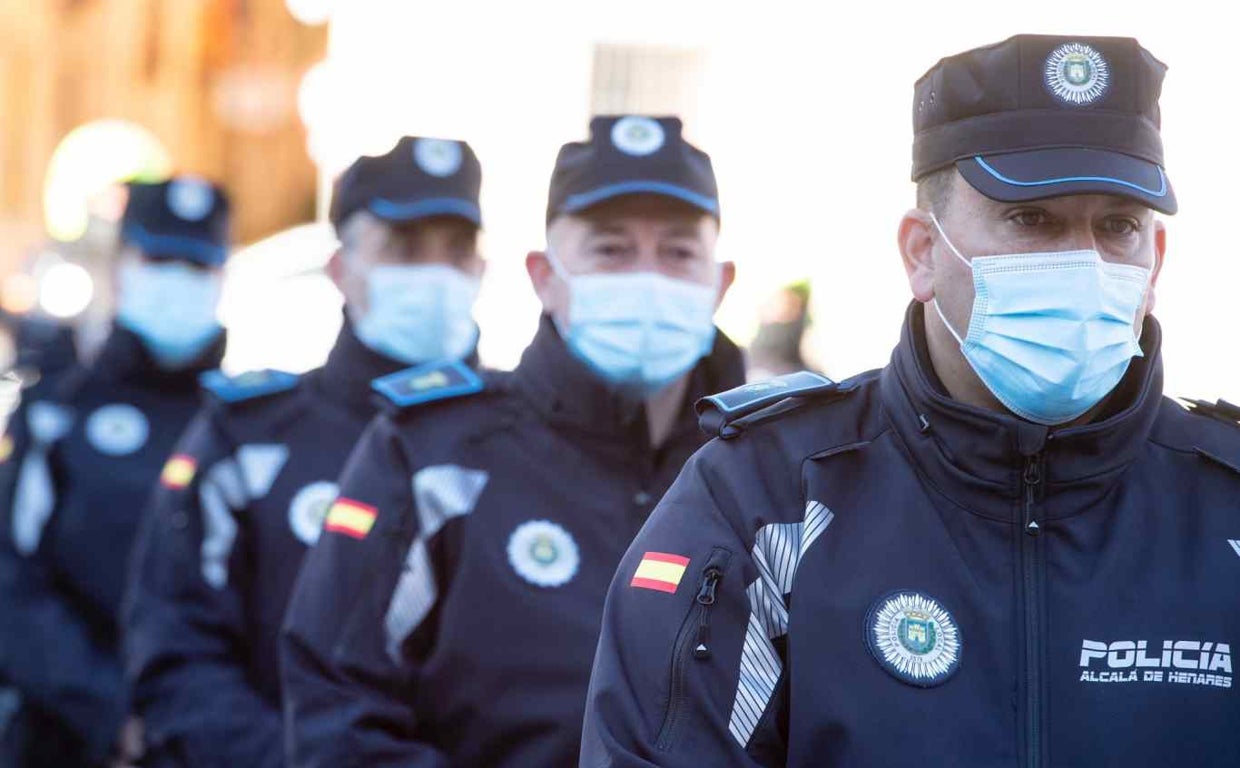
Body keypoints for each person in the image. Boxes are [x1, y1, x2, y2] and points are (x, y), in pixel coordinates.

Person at [581, 35, 1240, 767]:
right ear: (922, 252)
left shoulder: (1224, 503)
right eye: (1032, 220)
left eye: (1117, 226)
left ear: (1157, 261)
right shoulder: (766, 496)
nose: (1081, 261)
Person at [280, 115, 745, 768]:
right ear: (544, 276)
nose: (648, 277)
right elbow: (337, 700)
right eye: (610, 250)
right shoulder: (433, 453)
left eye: (678, 253)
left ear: (719, 282)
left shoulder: (763, 471)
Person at [120, 136, 487, 768]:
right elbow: (175, 650)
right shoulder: (251, 438)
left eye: (455, 253)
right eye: (404, 249)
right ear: (342, 269)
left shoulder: (520, 442)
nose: (435, 274)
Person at [0, 177, 231, 767]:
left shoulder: (242, 425)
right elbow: (11, 581)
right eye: (160, 259)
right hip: (63, 737)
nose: (177, 281)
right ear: (124, 265)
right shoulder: (61, 410)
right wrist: (110, 709)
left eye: (196, 266)